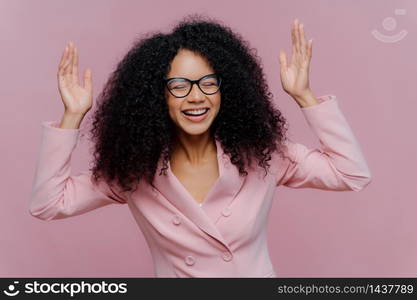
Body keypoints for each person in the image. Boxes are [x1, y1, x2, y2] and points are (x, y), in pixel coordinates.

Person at [29, 15, 372, 277]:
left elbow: (352, 174)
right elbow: (48, 205)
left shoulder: (265, 156)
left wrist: (304, 96)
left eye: (208, 82)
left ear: (227, 89)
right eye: (179, 85)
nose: (197, 96)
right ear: (157, 96)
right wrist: (72, 116)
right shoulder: (134, 170)